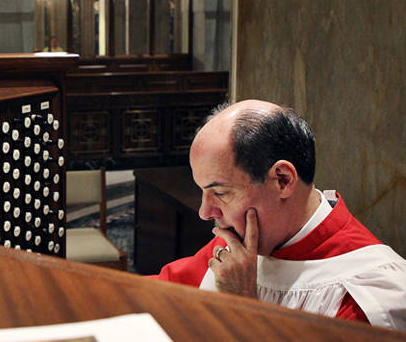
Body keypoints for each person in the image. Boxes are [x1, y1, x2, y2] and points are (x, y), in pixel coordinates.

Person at [152, 99, 406, 331]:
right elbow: (157, 294)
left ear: (282, 180)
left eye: (221, 192)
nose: (205, 212)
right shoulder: (240, 244)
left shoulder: (371, 297)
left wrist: (243, 308)